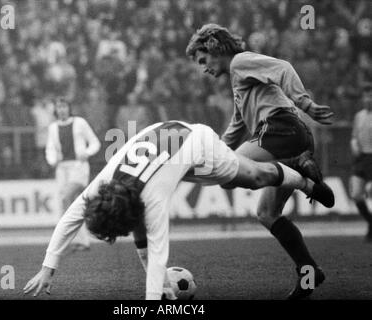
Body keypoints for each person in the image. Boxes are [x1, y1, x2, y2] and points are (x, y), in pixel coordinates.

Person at [24, 120, 334, 300]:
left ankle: (303, 179)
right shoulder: (103, 184)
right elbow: (70, 218)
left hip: (196, 143)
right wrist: (47, 268)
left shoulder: (153, 199)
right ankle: (168, 294)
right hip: (164, 137)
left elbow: (159, 255)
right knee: (139, 223)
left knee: (255, 177)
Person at [186, 24, 335, 299]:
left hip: (280, 129)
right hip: (292, 141)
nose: (203, 68)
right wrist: (214, 149)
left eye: (203, 60)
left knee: (229, 174)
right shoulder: (238, 79)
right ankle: (309, 272)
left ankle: (301, 174)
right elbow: (238, 125)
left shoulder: (240, 62)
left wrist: (306, 103)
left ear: (215, 47)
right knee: (267, 214)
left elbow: (284, 67)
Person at [46, 97, 101, 251]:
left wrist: (87, 153)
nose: (61, 109)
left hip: (78, 168)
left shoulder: (80, 122)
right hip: (62, 169)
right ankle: (82, 241)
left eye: (64, 106)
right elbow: (50, 149)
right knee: (71, 205)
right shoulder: (53, 127)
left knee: (65, 198)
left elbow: (95, 142)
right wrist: (52, 160)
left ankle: (61, 239)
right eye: (59, 107)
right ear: (55, 110)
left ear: (69, 108)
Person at [350, 83, 372, 242]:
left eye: (370, 95)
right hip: (362, 158)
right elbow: (354, 136)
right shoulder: (359, 115)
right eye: (366, 96)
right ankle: (371, 223)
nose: (368, 99)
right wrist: (354, 145)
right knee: (356, 194)